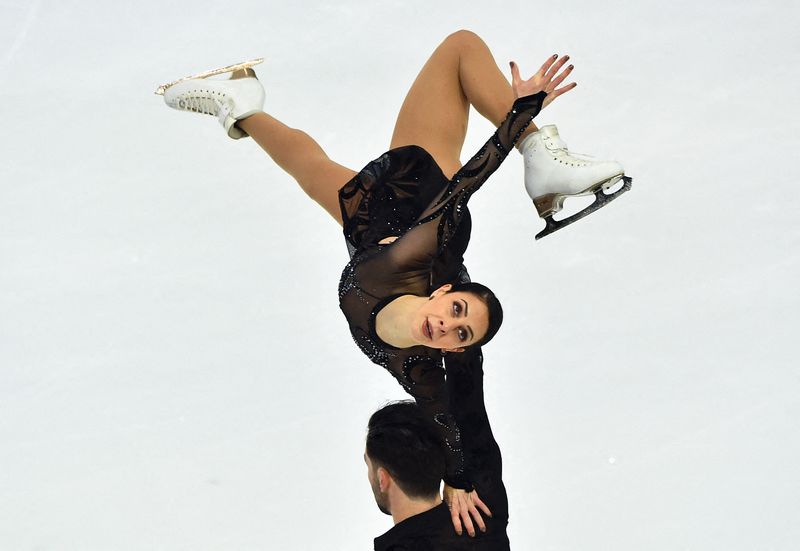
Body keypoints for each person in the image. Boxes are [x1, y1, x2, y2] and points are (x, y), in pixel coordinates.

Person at [158, 30, 631, 535]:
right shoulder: (416, 251)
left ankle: (241, 102)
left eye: (460, 335)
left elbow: (448, 425)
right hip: (413, 201)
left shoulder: (420, 365)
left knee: (309, 168)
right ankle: (544, 158)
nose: (447, 330)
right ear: (445, 296)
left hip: (367, 234)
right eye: (456, 314)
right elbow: (470, 177)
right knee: (460, 47)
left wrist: (459, 481)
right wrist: (525, 114)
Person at [366, 350, 510, 550]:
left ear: (383, 478)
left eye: (368, 464)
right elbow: (468, 401)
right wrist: (457, 477)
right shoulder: (482, 506)